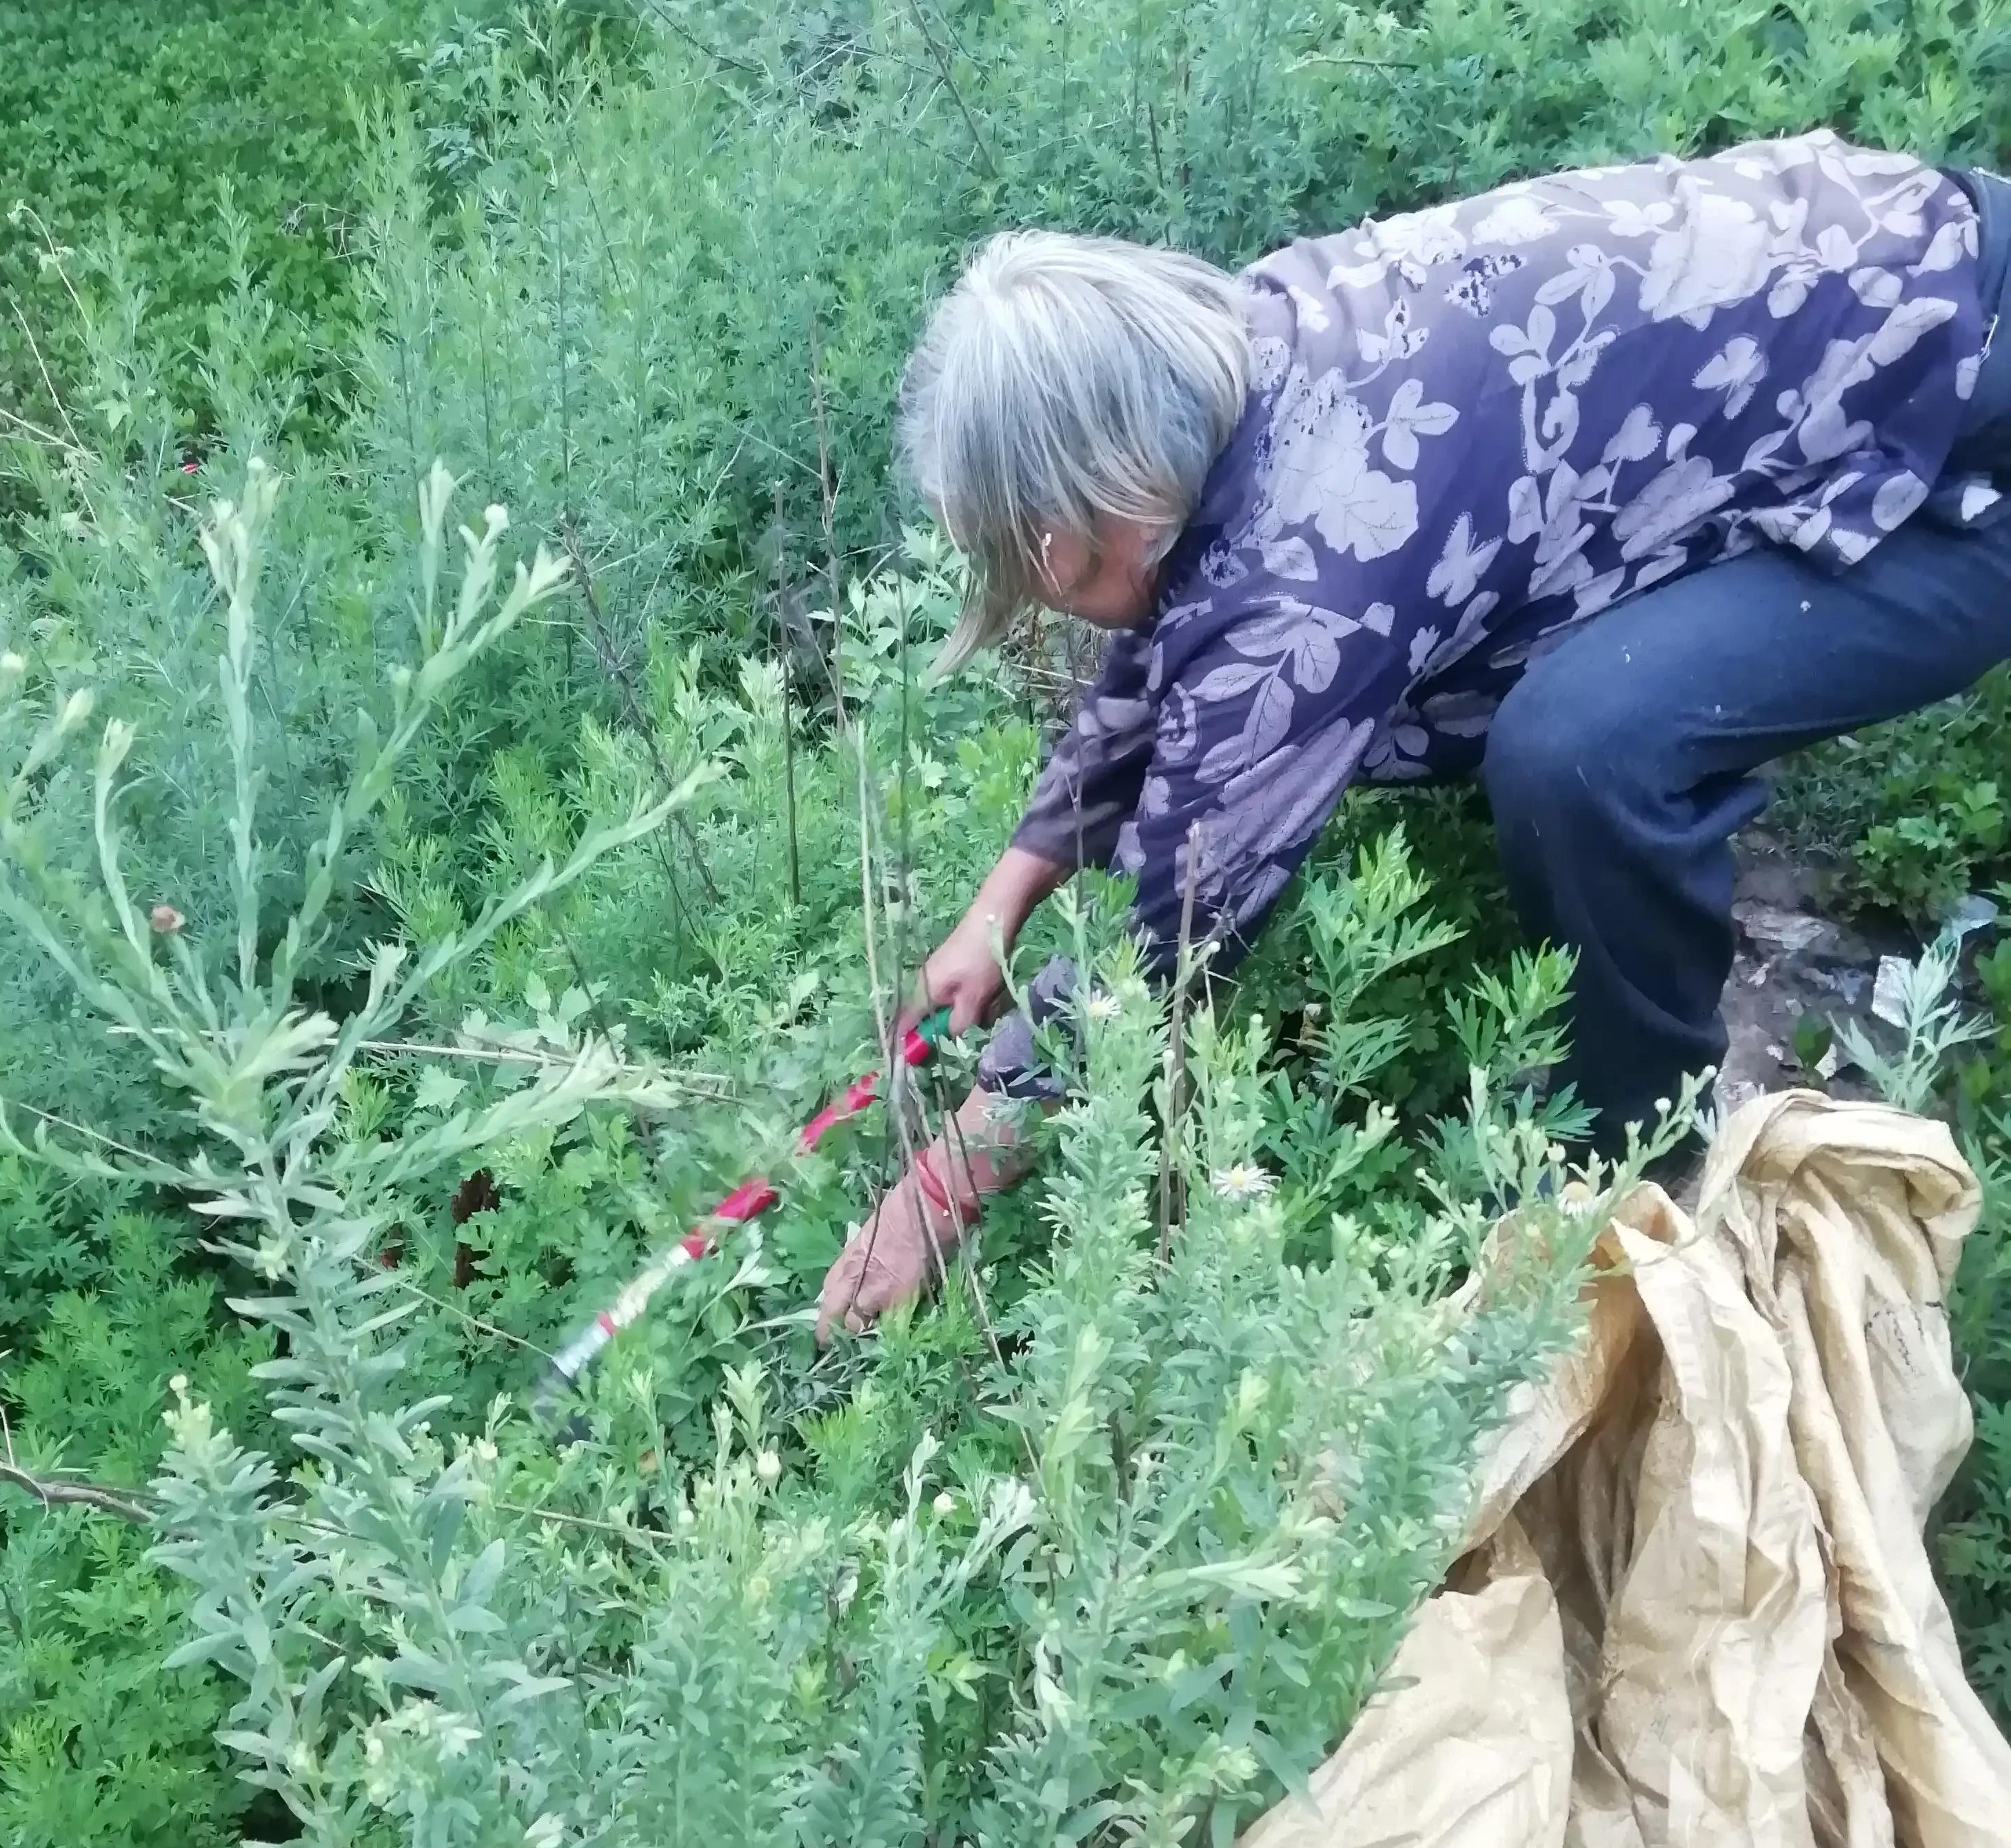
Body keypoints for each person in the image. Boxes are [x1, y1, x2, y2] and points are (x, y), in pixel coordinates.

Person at [816, 130, 2011, 1341]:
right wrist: (1004, 898)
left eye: (1032, 544)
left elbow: (1166, 939)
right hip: (1906, 299)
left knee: (1584, 742)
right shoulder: (1249, 346)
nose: (1035, 575)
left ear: (1092, 510)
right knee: (1537, 704)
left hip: (1961, 454)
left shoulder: (1322, 567)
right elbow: (1171, 636)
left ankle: (1632, 1153)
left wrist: (937, 1190)